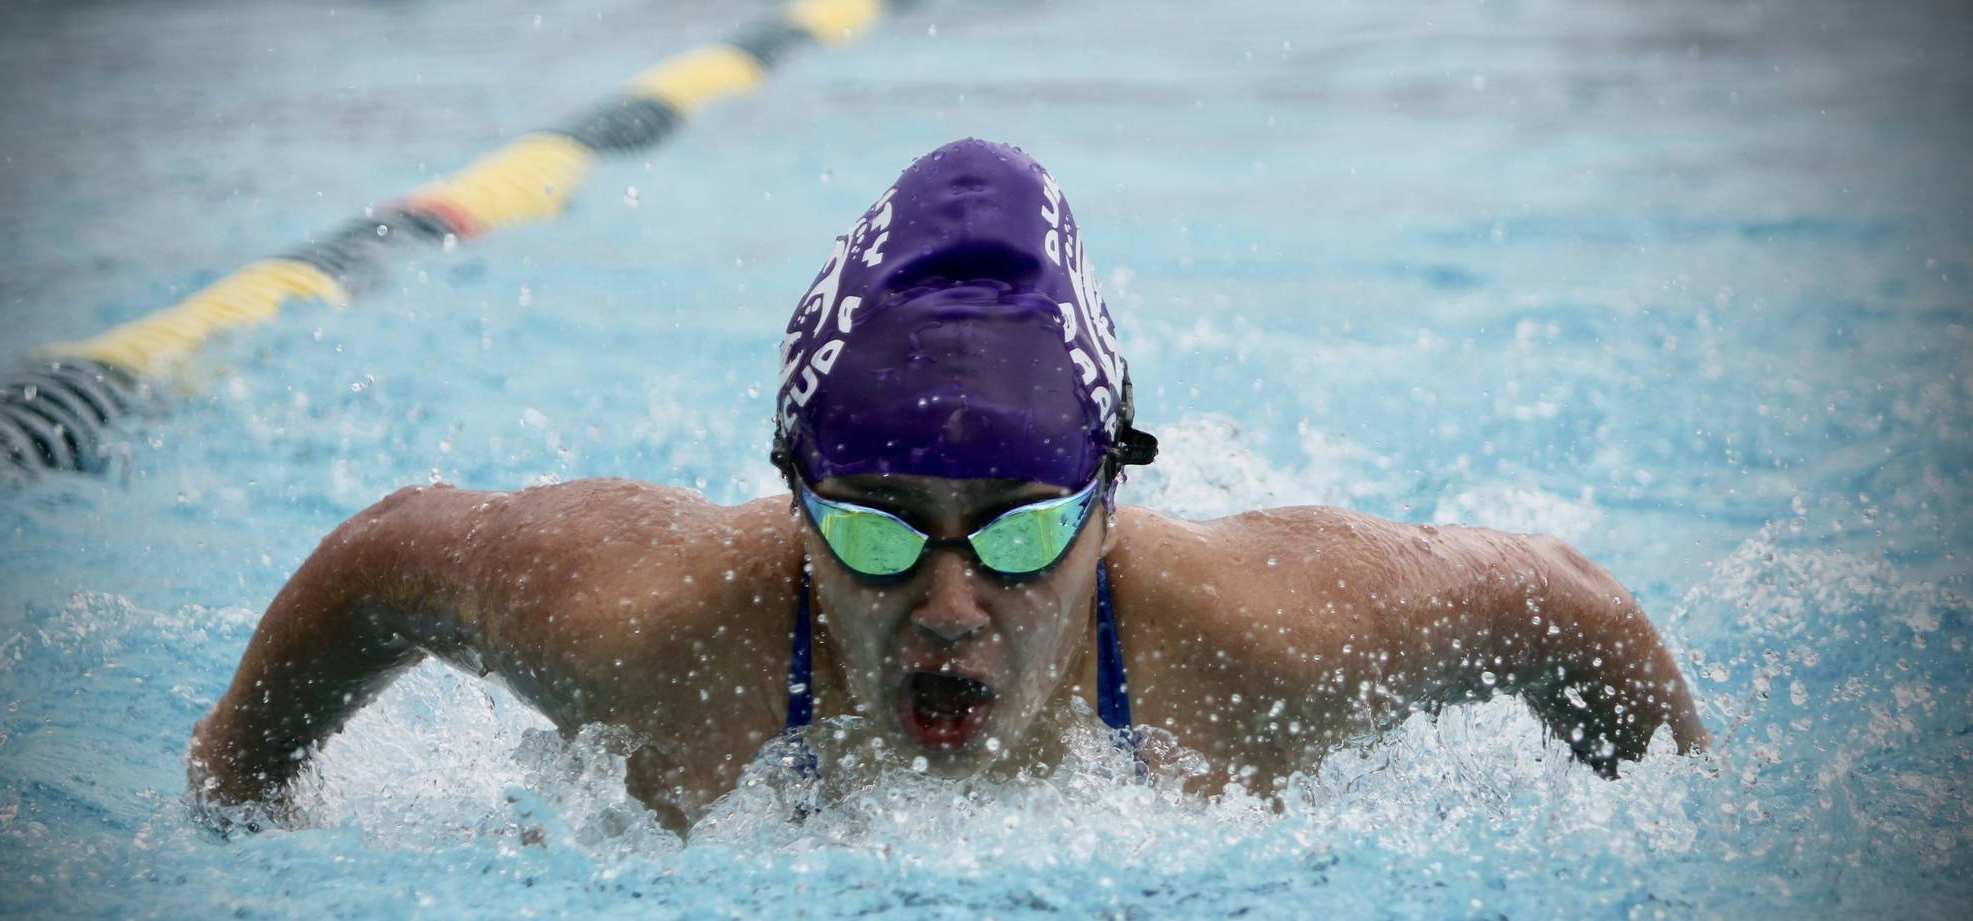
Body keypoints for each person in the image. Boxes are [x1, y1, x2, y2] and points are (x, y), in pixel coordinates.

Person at [188, 138, 1709, 831]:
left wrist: (1684, 829)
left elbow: (1558, 602)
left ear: (1107, 503)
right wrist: (237, 804)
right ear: (794, 499)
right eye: (874, 530)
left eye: (1023, 532)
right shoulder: (648, 630)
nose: (949, 604)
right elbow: (390, 558)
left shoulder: (1272, 639)